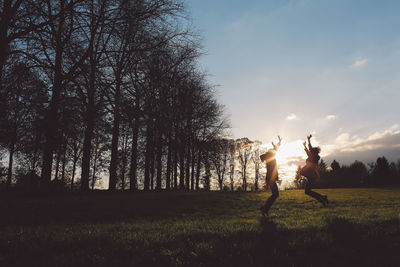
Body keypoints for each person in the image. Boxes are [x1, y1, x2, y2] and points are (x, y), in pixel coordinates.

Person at [300, 134, 328, 206]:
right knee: (307, 191)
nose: (310, 151)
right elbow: (309, 150)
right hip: (311, 175)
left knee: (307, 191)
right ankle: (323, 198)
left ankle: (322, 200)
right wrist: (307, 143)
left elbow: (309, 150)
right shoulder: (313, 155)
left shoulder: (315, 157)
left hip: (312, 175)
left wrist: (307, 144)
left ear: (314, 152)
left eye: (311, 151)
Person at [259, 136, 282, 216]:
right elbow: (262, 157)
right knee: (275, 194)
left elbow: (276, 149)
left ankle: (265, 209)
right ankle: (264, 209)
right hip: (270, 178)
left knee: (275, 194)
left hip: (270, 178)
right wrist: (276, 144)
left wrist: (278, 142)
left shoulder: (271, 155)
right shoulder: (269, 155)